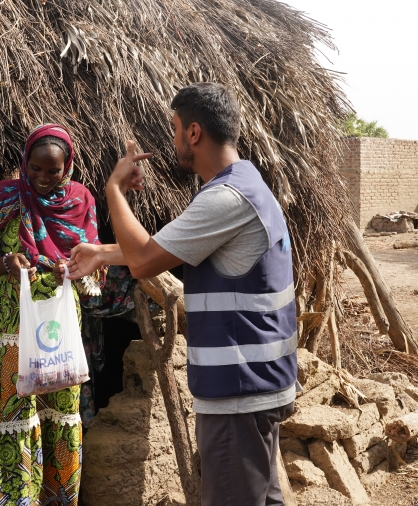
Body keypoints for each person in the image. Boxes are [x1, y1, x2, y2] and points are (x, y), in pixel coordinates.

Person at [67, 82, 298, 506]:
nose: (172, 139)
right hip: (260, 384)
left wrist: (114, 191)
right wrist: (100, 253)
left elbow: (144, 261)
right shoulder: (246, 184)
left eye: (175, 128)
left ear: (194, 132)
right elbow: (167, 250)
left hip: (238, 392)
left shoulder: (225, 199)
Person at [0, 124, 103, 506]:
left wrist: (67, 270)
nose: (42, 178)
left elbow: (94, 266)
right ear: (25, 163)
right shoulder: (2, 197)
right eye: (35, 169)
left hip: (57, 329)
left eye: (52, 170)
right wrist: (7, 262)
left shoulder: (81, 202)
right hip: (10, 325)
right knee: (11, 411)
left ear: (67, 166)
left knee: (59, 411)